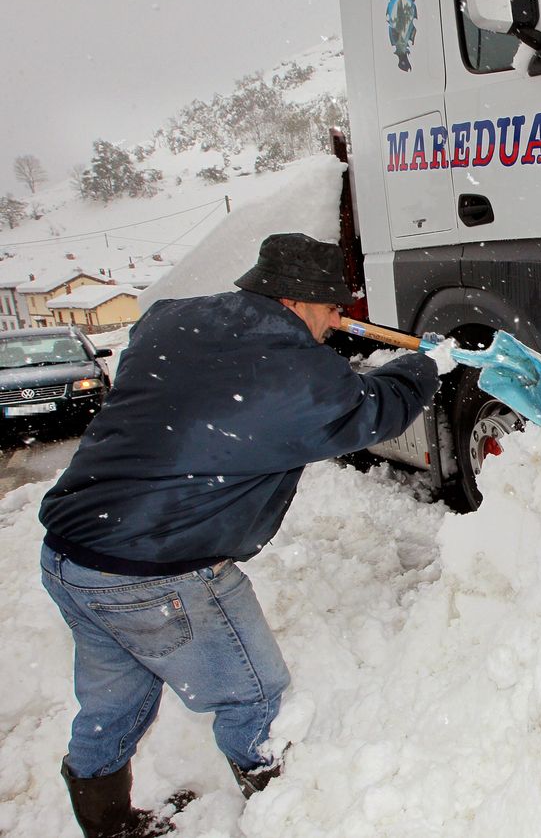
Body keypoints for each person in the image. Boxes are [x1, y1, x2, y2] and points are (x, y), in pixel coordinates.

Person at [38, 233, 457, 838]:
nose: (338, 320)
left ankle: (109, 825)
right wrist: (424, 363)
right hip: (157, 572)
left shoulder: (172, 319)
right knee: (257, 699)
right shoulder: (296, 377)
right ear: (297, 300)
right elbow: (376, 409)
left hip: (72, 557)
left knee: (112, 703)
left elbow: (195, 365)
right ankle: (283, 817)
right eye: (332, 308)